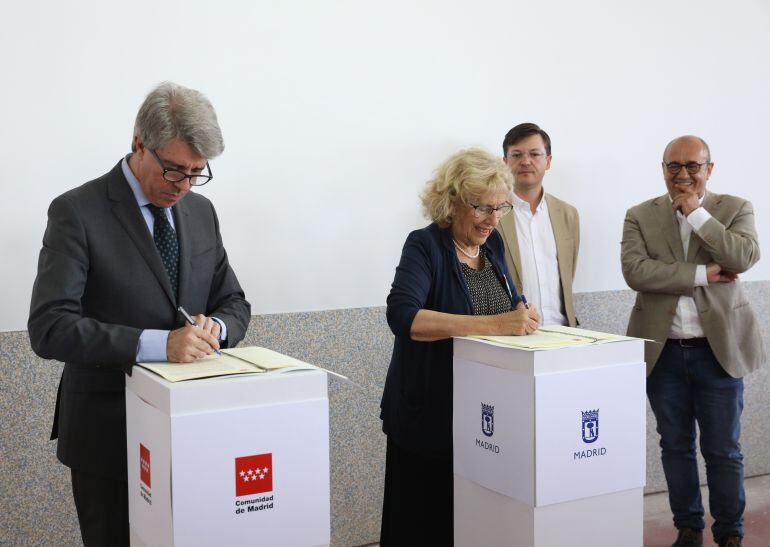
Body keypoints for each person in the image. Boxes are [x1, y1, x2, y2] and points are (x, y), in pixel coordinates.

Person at [28, 82, 251, 546]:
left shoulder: (201, 212)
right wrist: (159, 344)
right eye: (173, 170)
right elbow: (50, 327)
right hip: (107, 436)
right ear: (138, 144)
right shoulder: (77, 211)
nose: (183, 186)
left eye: (196, 173)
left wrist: (219, 327)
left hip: (192, 429)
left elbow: (234, 302)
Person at [379, 148, 539, 545]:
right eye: (482, 208)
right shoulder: (425, 245)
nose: (493, 220)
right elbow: (404, 317)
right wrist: (497, 325)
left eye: (500, 208)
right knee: (424, 524)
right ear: (453, 202)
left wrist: (522, 315)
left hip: (484, 420)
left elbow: (508, 307)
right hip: (429, 417)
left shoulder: (494, 246)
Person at [621, 135, 763, 547]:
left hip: (718, 351)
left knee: (723, 450)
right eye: (673, 167)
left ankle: (730, 532)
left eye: (692, 166)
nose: (682, 175)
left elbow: (742, 258)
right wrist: (701, 275)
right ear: (662, 169)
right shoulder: (639, 215)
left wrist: (698, 215)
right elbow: (635, 272)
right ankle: (688, 526)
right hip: (662, 352)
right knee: (675, 445)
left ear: (709, 169)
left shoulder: (735, 208)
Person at [497, 122, 580, 326]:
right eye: (517, 155)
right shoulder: (491, 213)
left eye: (535, 154)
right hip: (512, 334)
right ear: (504, 162)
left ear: (548, 161)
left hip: (563, 334)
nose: (526, 161)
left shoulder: (568, 215)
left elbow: (568, 275)